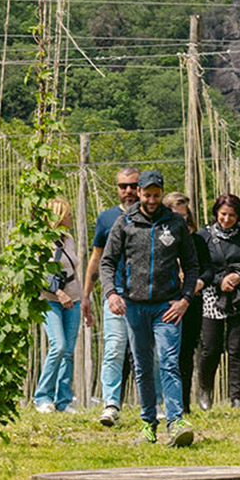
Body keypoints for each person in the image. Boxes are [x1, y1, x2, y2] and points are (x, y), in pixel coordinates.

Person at [100, 170, 199, 447]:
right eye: (147, 195)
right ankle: (148, 424)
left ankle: (176, 422)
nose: (152, 199)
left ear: (162, 193)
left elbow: (191, 266)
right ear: (140, 194)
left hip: (167, 306)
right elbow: (107, 262)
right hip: (134, 306)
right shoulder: (125, 223)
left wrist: (185, 299)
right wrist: (111, 294)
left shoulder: (175, 224)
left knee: (169, 363)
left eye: (156, 195)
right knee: (142, 366)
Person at [82, 166, 141, 427]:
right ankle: (110, 405)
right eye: (122, 186)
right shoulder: (106, 219)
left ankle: (159, 405)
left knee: (148, 353)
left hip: (147, 297)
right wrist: (86, 296)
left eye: (132, 186)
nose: (128, 191)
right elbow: (97, 257)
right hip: (115, 295)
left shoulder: (155, 216)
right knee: (114, 349)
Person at [197, 194, 240, 410]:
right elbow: (201, 266)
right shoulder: (204, 236)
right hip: (212, 295)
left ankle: (236, 396)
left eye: (232, 215)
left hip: (239, 296)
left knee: (236, 347)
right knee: (210, 348)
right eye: (223, 214)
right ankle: (205, 390)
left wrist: (239, 277)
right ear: (216, 214)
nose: (227, 219)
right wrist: (220, 280)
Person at [33, 198, 83, 413]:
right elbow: (38, 274)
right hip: (50, 300)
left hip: (74, 298)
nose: (70, 218)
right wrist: (59, 293)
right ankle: (42, 396)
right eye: (68, 214)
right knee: (58, 346)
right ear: (58, 216)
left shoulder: (69, 239)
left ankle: (63, 400)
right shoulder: (41, 242)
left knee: (69, 351)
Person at [164, 192, 212, 414]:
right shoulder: (159, 237)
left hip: (191, 302)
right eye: (176, 215)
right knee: (166, 353)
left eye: (184, 216)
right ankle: (164, 402)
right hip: (165, 301)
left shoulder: (197, 240)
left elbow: (209, 269)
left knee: (186, 353)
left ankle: (183, 404)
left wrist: (198, 283)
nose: (181, 220)